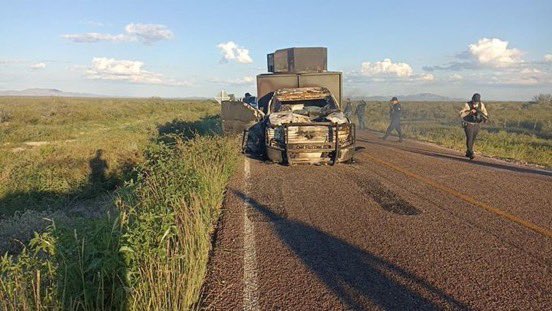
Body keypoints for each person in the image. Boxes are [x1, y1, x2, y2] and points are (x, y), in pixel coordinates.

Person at [459, 93, 489, 159]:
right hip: (468, 123)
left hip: (477, 124)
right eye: (474, 101)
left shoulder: (481, 105)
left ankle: (468, 151)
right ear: (472, 99)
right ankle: (471, 153)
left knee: (473, 138)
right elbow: (461, 114)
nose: (475, 103)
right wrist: (469, 112)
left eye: (477, 102)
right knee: (469, 137)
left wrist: (484, 117)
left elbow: (485, 113)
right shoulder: (467, 104)